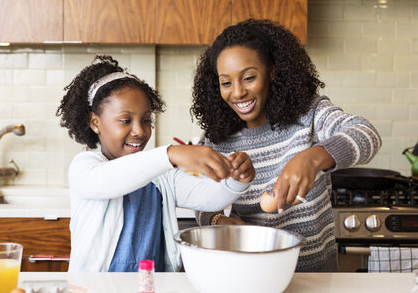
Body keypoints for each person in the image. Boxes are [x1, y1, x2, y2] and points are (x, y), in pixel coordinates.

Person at [190, 19, 381, 272]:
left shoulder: (309, 116)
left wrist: (312, 158)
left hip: (314, 277)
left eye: (248, 78)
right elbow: (203, 203)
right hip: (251, 275)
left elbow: (366, 134)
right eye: (226, 83)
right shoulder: (218, 139)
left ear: (272, 72)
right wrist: (218, 220)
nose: (237, 93)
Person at [56, 55, 255, 273]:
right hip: (96, 287)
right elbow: (104, 181)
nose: (140, 131)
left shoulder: (161, 176)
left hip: (150, 285)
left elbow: (208, 197)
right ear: (95, 122)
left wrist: (236, 180)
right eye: (125, 120)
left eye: (145, 120)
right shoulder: (86, 166)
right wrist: (171, 154)